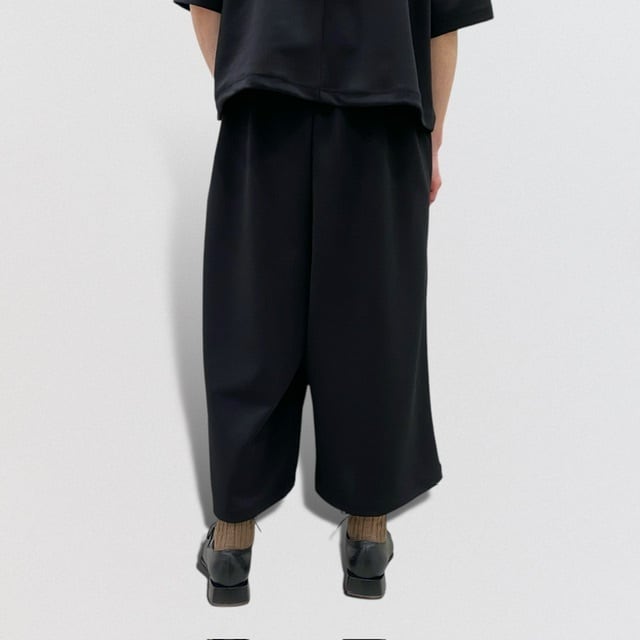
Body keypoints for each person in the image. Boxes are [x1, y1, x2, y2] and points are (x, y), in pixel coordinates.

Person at [173, 0, 494, 605]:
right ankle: (368, 536)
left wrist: (245, 76)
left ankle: (232, 541)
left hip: (264, 106)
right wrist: (432, 137)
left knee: (249, 320)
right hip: (384, 112)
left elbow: (204, 6)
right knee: (374, 326)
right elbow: (443, 27)